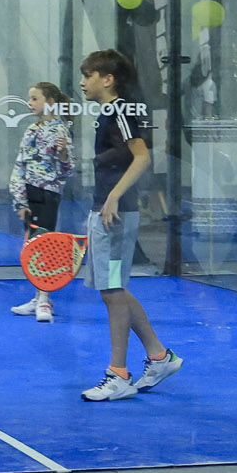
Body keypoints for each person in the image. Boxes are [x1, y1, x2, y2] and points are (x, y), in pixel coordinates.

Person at [77, 50, 183, 401]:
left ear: (107, 79)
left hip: (116, 214)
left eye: (88, 75)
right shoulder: (107, 114)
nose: (82, 82)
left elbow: (142, 157)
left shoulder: (119, 111)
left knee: (112, 292)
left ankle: (118, 374)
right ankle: (158, 356)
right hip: (107, 211)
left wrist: (112, 198)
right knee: (115, 290)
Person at [9, 81, 74, 324]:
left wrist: (64, 154)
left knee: (44, 246)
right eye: (29, 98)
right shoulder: (30, 131)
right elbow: (19, 166)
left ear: (50, 102)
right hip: (29, 194)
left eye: (35, 98)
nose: (30, 103)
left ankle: (44, 297)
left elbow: (68, 170)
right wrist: (19, 200)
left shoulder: (61, 132)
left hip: (48, 195)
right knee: (31, 246)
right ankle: (38, 296)